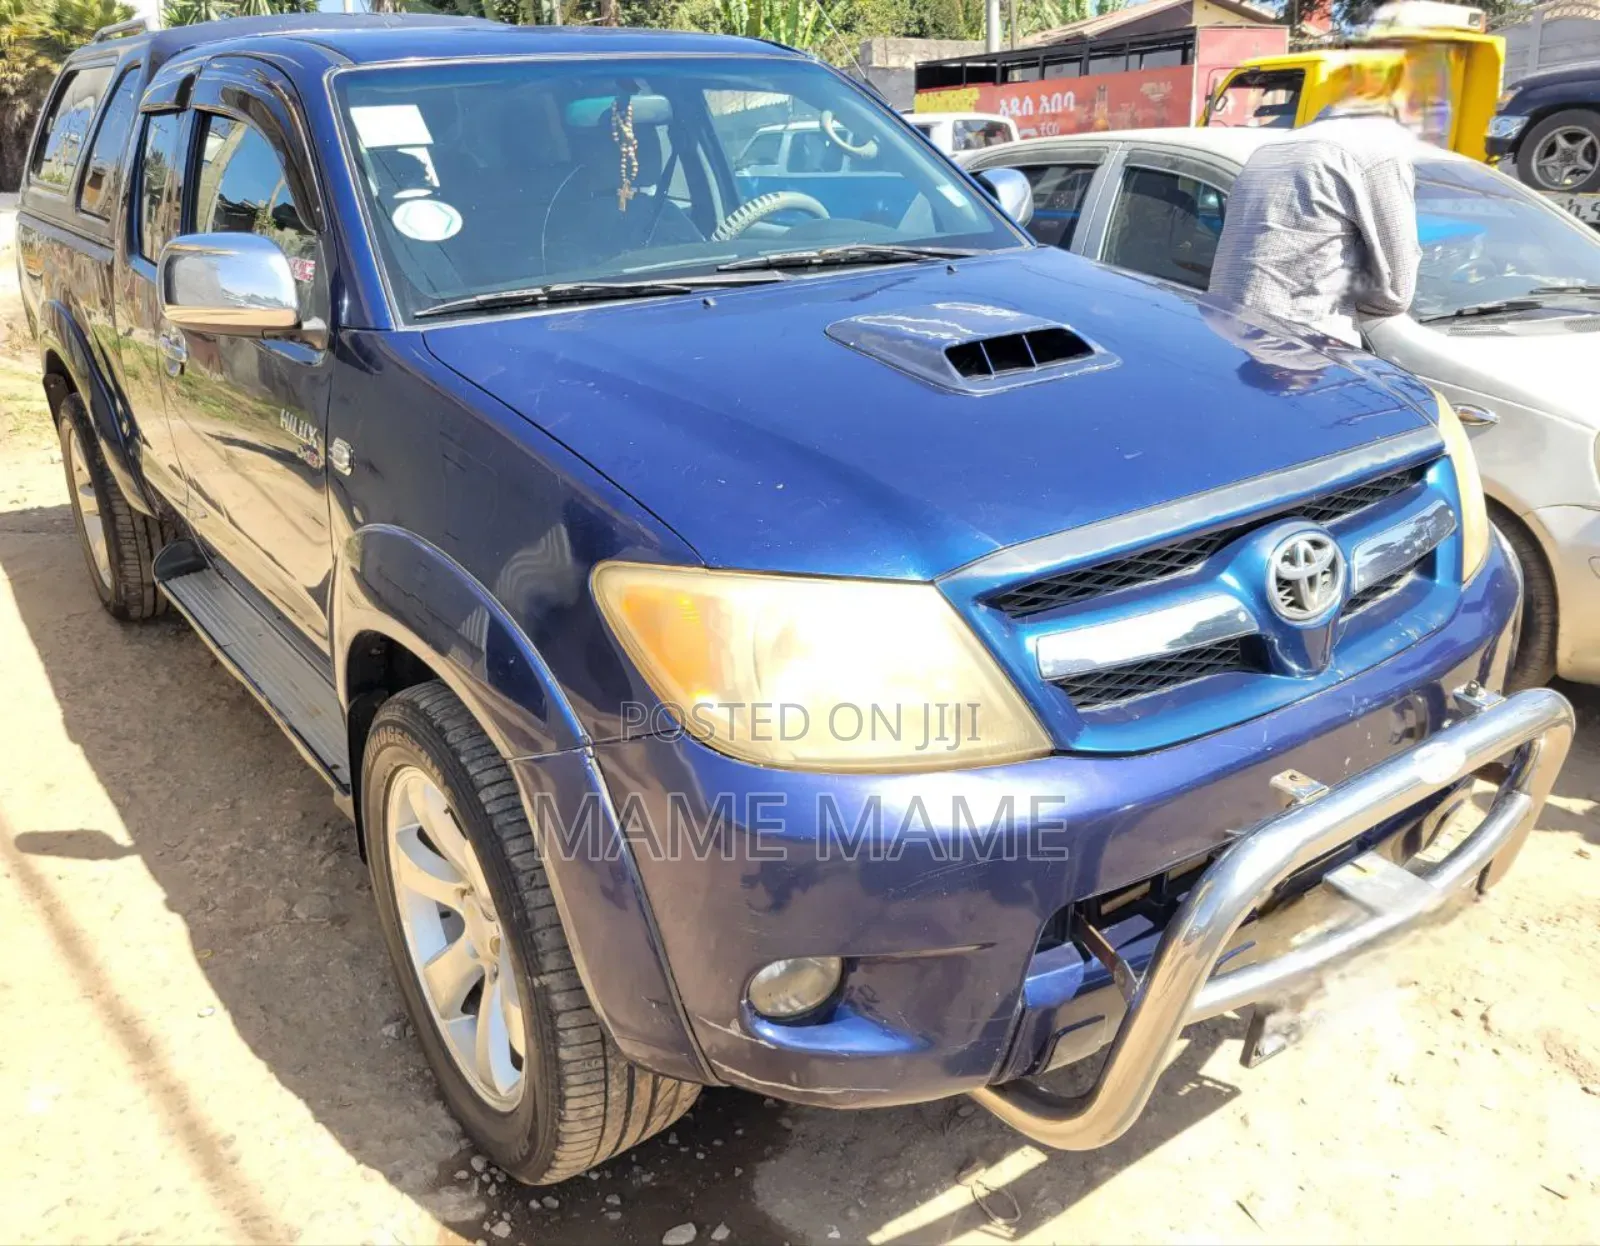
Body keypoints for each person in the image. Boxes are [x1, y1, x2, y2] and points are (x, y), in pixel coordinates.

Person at [1208, 92, 1422, 347]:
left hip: (1226, 336)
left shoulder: (1271, 148)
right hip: (1303, 350)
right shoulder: (1379, 153)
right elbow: (1396, 293)